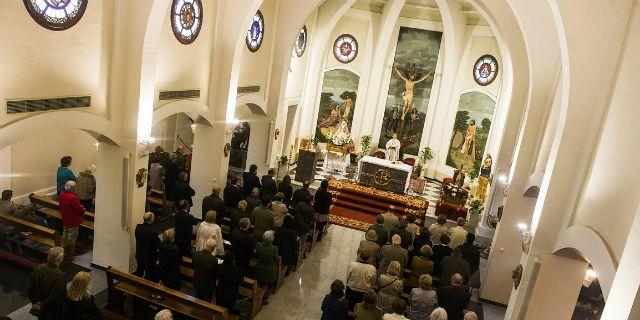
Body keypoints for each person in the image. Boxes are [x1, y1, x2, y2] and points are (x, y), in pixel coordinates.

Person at [28, 247, 66, 320]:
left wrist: (36, 303)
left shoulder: (39, 268)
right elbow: (57, 297)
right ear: (59, 259)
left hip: (40, 307)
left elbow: (30, 288)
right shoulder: (60, 275)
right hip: (53, 311)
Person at [59, 181, 86, 264]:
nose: (75, 188)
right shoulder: (73, 197)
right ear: (71, 188)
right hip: (73, 220)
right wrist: (83, 209)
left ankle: (62, 253)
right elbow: (79, 210)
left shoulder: (62, 194)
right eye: (75, 187)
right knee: (71, 239)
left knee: (65, 236)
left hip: (65, 218)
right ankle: (69, 257)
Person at [134, 212, 159, 281]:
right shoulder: (153, 231)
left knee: (139, 272)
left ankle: (137, 286)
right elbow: (157, 245)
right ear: (151, 219)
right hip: (149, 257)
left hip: (139, 254)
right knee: (149, 275)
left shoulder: (138, 227)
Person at [255, 230, 278, 304]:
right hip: (269, 270)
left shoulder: (258, 245)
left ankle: (258, 294)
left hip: (259, 267)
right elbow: (276, 259)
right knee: (266, 285)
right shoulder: (274, 248)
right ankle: (261, 298)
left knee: (260, 282)